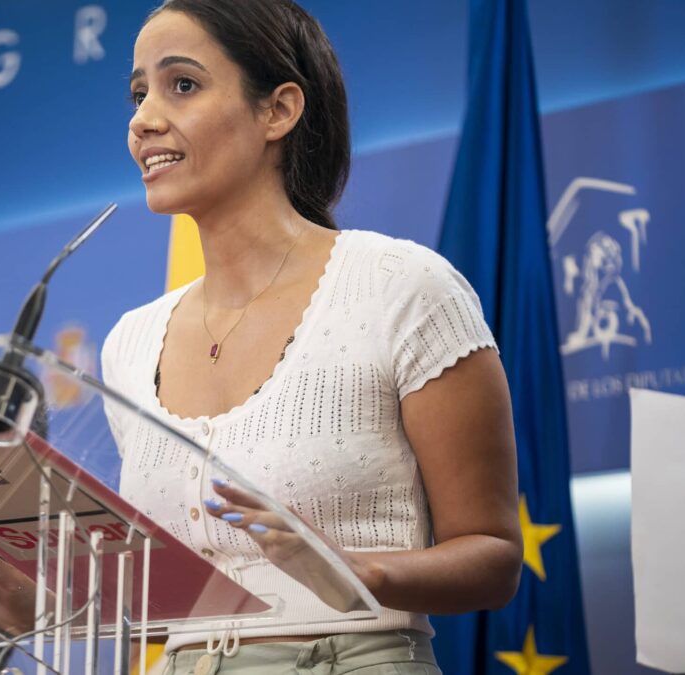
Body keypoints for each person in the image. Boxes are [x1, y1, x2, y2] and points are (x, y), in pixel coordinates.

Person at [99, 1, 523, 673]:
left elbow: (495, 556)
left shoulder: (403, 287)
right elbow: (165, 591)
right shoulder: (128, 343)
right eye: (138, 92)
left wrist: (358, 573)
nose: (143, 118)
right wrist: (34, 600)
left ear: (279, 110)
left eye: (181, 84)